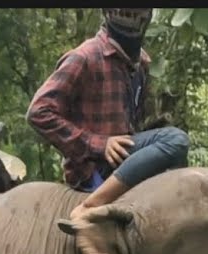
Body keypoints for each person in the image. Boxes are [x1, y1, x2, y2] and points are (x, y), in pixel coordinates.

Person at [27, 8, 190, 222]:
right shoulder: (85, 56)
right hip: (94, 167)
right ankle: (90, 205)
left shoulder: (140, 64)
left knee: (180, 167)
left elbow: (132, 125)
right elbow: (39, 111)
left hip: (124, 159)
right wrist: (99, 144)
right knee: (176, 140)